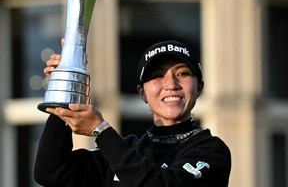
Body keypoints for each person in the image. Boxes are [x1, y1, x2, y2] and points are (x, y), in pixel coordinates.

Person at [34, 40, 231, 187]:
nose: (171, 84)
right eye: (157, 75)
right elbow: (51, 172)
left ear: (199, 88)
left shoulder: (211, 151)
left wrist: (101, 131)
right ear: (142, 92)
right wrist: (66, 89)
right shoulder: (125, 150)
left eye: (182, 74)